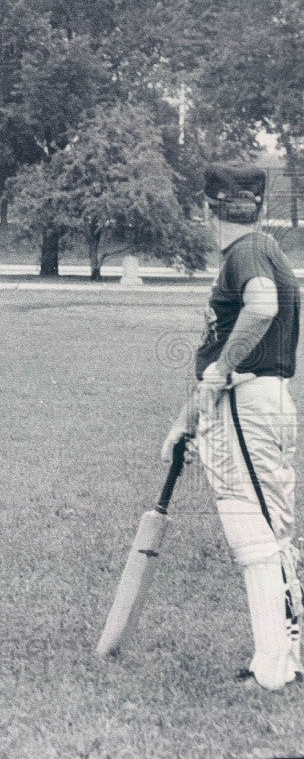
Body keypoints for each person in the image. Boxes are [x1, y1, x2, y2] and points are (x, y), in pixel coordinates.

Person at [161, 163, 302, 691]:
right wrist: (187, 421)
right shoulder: (264, 249)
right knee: (271, 531)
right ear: (260, 206)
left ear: (205, 209)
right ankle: (288, 654)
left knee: (254, 536)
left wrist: (219, 373)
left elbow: (259, 308)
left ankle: (271, 668)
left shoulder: (245, 251)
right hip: (254, 402)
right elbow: (221, 353)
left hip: (247, 404)